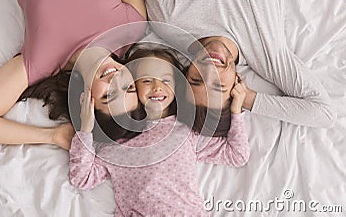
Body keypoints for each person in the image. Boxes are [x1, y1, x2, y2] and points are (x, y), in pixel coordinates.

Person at [0, 0, 147, 150]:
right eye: (128, 87)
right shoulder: (131, 26)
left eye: (108, 96)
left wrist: (53, 135)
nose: (116, 81)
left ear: (86, 104)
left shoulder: (41, 62)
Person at [136, 0, 337, 128]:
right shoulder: (266, 54)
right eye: (219, 86)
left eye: (196, 80)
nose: (210, 71)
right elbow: (324, 113)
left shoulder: (169, 22)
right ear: (236, 84)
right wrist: (248, 99)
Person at [69, 47, 250, 215]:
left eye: (165, 80)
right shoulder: (112, 148)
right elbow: (81, 179)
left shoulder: (185, 131)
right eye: (147, 80)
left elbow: (237, 155)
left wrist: (236, 110)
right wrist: (85, 130)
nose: (157, 86)